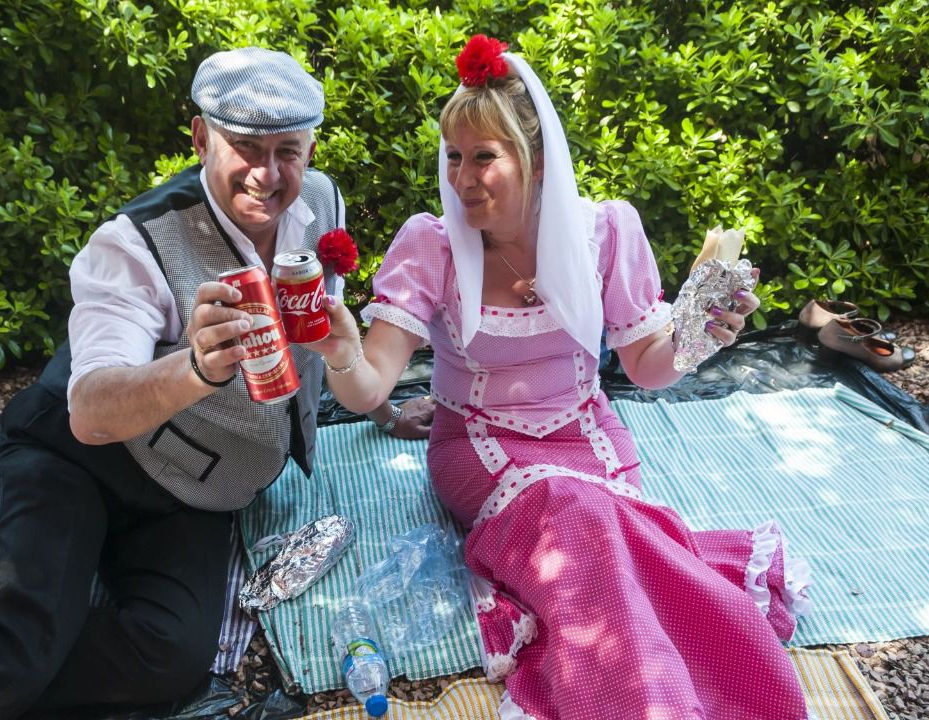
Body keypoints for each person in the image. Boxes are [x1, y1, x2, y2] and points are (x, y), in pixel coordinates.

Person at [0, 47, 432, 720]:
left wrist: (382, 410)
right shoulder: (134, 241)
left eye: (289, 149)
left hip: (194, 487)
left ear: (311, 145)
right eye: (246, 146)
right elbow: (91, 408)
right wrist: (194, 366)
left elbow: (322, 337)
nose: (268, 173)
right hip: (76, 455)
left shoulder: (320, 199)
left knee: (169, 659)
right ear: (200, 138)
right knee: (16, 649)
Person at [309, 35, 812, 720]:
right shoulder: (430, 244)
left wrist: (700, 338)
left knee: (606, 535)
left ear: (537, 160)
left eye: (484, 157)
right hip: (479, 448)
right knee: (581, 519)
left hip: (588, 433)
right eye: (453, 157)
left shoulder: (606, 232)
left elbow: (645, 367)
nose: (461, 179)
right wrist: (341, 353)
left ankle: (731, 690)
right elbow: (369, 387)